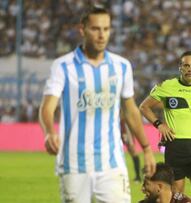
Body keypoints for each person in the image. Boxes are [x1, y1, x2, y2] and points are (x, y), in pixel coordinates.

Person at [38, 5, 155, 203]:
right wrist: (49, 131)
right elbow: (47, 107)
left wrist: (146, 148)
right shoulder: (63, 66)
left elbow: (130, 109)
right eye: (95, 29)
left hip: (111, 163)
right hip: (74, 164)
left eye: (106, 29)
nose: (102, 35)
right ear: (82, 30)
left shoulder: (121, 66)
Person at [139, 51, 191, 203]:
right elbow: (144, 107)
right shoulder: (168, 86)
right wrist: (159, 124)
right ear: (180, 68)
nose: (190, 69)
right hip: (175, 145)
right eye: (186, 65)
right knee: (176, 193)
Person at [120, 113, 142, 183]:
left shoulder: (125, 119)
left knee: (133, 152)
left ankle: (138, 177)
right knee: (132, 153)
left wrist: (129, 139)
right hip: (123, 130)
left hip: (126, 131)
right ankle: (137, 177)